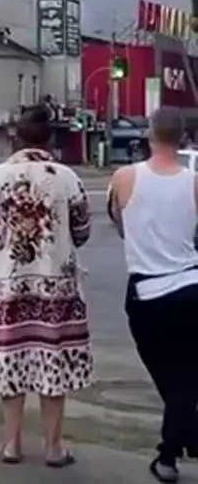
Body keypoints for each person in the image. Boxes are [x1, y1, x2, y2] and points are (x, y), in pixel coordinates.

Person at [0, 104, 93, 467]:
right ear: (50, 138)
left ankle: (12, 444)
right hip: (57, 287)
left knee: (11, 362)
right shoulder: (67, 177)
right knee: (53, 363)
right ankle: (54, 449)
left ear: (16, 137)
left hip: (9, 286)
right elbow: (82, 233)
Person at [108, 107, 198, 482]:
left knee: (168, 376)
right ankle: (180, 441)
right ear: (183, 140)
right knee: (186, 377)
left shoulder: (125, 177)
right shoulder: (194, 182)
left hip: (146, 293)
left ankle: (169, 454)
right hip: (190, 285)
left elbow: (119, 225)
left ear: (147, 136)